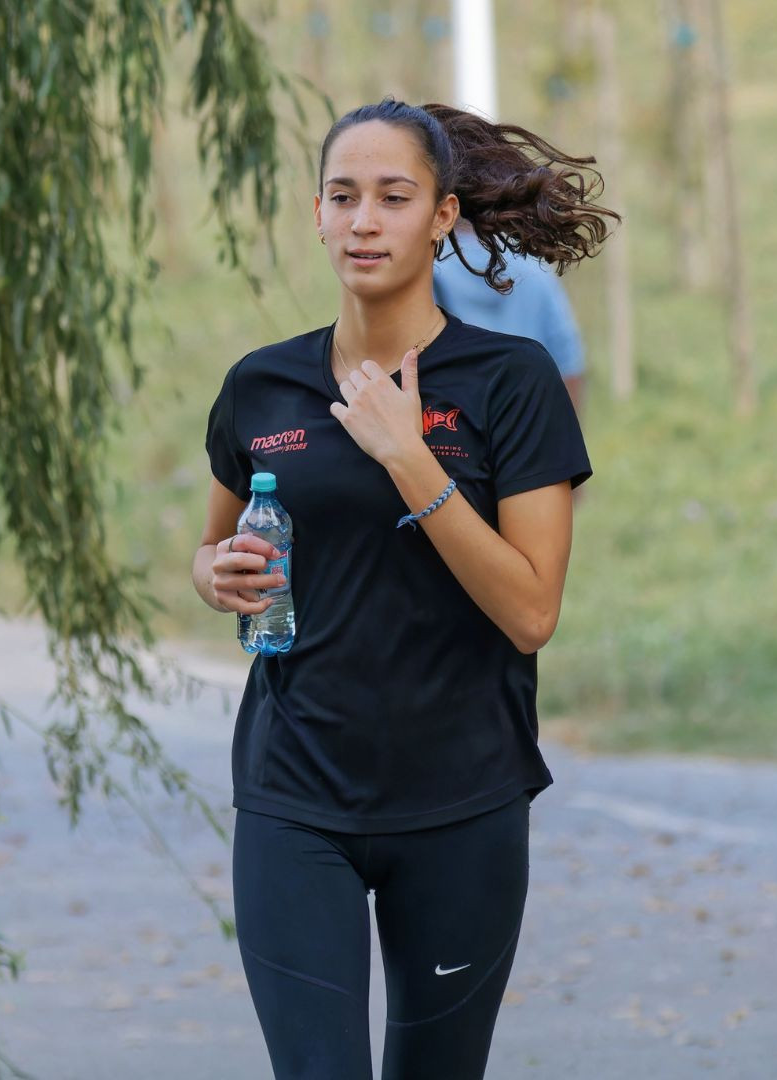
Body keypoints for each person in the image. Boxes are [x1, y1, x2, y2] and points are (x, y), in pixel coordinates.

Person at [191, 99, 615, 1079]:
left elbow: (530, 610)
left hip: (462, 799)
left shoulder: (513, 383)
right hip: (296, 794)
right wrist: (217, 576)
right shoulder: (263, 386)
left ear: (442, 216)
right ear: (317, 214)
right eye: (344, 196)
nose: (365, 220)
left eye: (394, 197)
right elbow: (210, 552)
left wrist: (409, 459)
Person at [433, 219, 587, 413]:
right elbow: (569, 366)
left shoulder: (428, 269)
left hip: (453, 422)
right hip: (526, 420)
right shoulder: (535, 270)